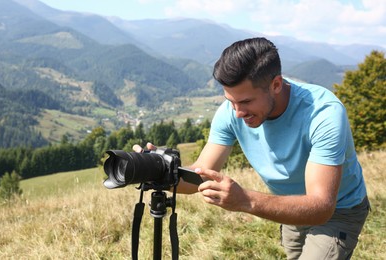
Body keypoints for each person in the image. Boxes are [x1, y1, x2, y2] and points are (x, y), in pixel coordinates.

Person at [134, 37, 370, 259]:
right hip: (289, 208)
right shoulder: (231, 113)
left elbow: (321, 207)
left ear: (276, 84)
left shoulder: (324, 114)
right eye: (231, 101)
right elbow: (198, 176)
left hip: (339, 210)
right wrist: (156, 170)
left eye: (246, 101)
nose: (237, 112)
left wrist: (245, 200)